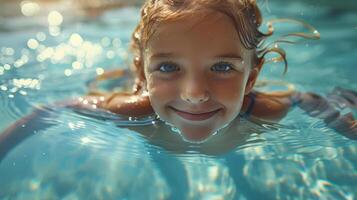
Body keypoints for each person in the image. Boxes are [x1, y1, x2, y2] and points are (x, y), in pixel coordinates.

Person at [1, 0, 356, 159]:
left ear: (252, 77)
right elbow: (51, 108)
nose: (195, 94)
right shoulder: (132, 110)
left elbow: (302, 98)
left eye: (222, 67)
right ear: (145, 73)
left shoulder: (263, 108)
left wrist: (335, 110)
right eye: (168, 68)